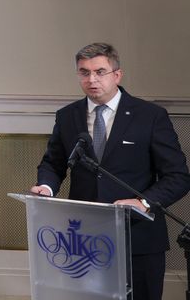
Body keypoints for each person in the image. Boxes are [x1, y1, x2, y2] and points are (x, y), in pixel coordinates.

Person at [30, 42, 190, 300]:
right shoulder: (67, 116)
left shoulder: (150, 116)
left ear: (117, 74)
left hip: (138, 236)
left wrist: (143, 202)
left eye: (99, 72)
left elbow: (178, 176)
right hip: (84, 238)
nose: (92, 79)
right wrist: (46, 187)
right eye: (84, 72)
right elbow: (53, 163)